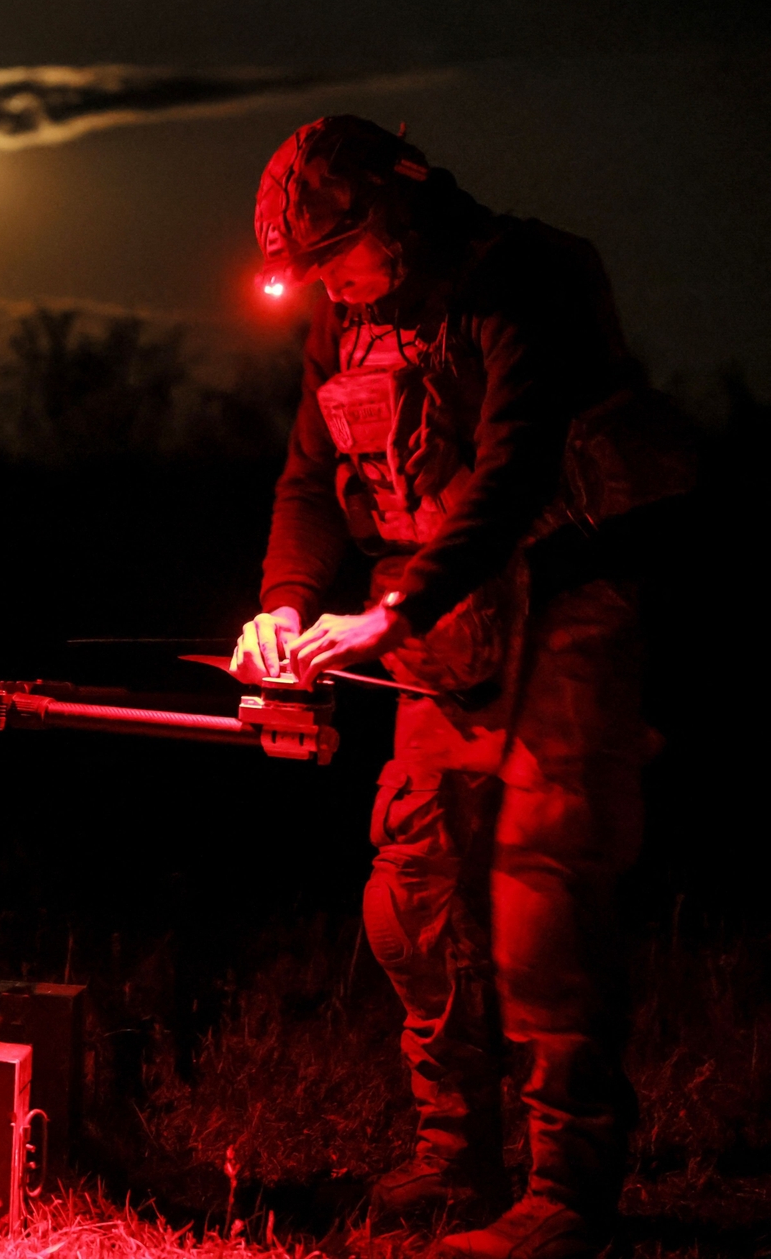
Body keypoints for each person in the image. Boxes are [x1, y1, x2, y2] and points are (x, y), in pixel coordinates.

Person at [231, 116, 693, 1258]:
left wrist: (386, 615)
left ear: (396, 214)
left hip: (567, 606)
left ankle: (565, 1191)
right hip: (442, 624)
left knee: (543, 890)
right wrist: (286, 604)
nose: (330, 286)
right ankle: (454, 1157)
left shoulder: (521, 278)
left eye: (339, 253)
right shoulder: (341, 322)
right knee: (414, 887)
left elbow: (516, 466)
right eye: (314, 267)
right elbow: (307, 476)